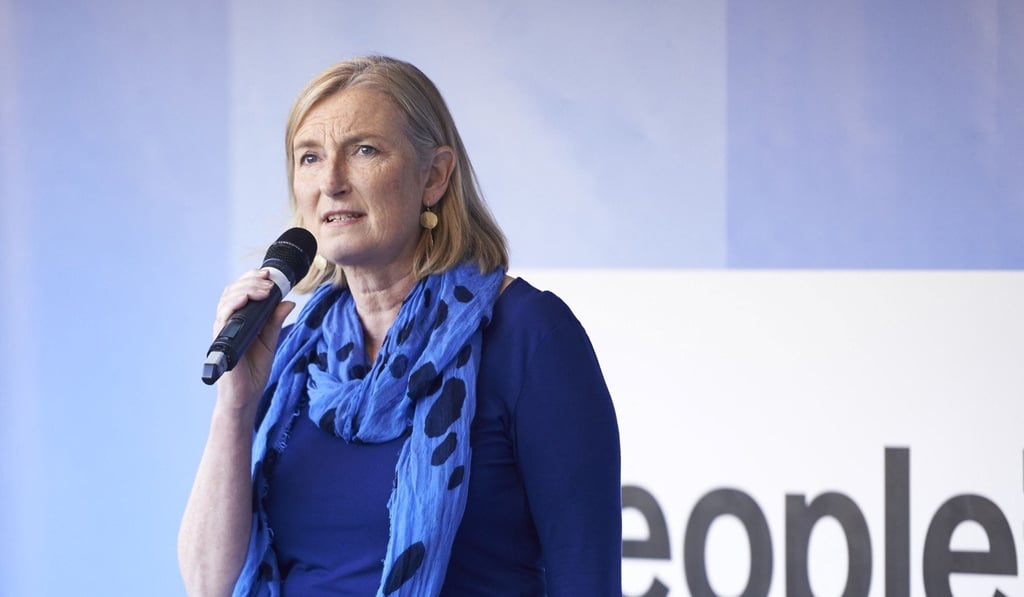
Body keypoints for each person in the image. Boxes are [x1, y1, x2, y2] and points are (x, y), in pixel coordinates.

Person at [178, 55, 621, 596]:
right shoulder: (292, 353)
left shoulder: (527, 334)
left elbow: (588, 577)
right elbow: (207, 583)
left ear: (433, 176)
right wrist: (236, 404)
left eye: (364, 151)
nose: (331, 183)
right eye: (310, 158)